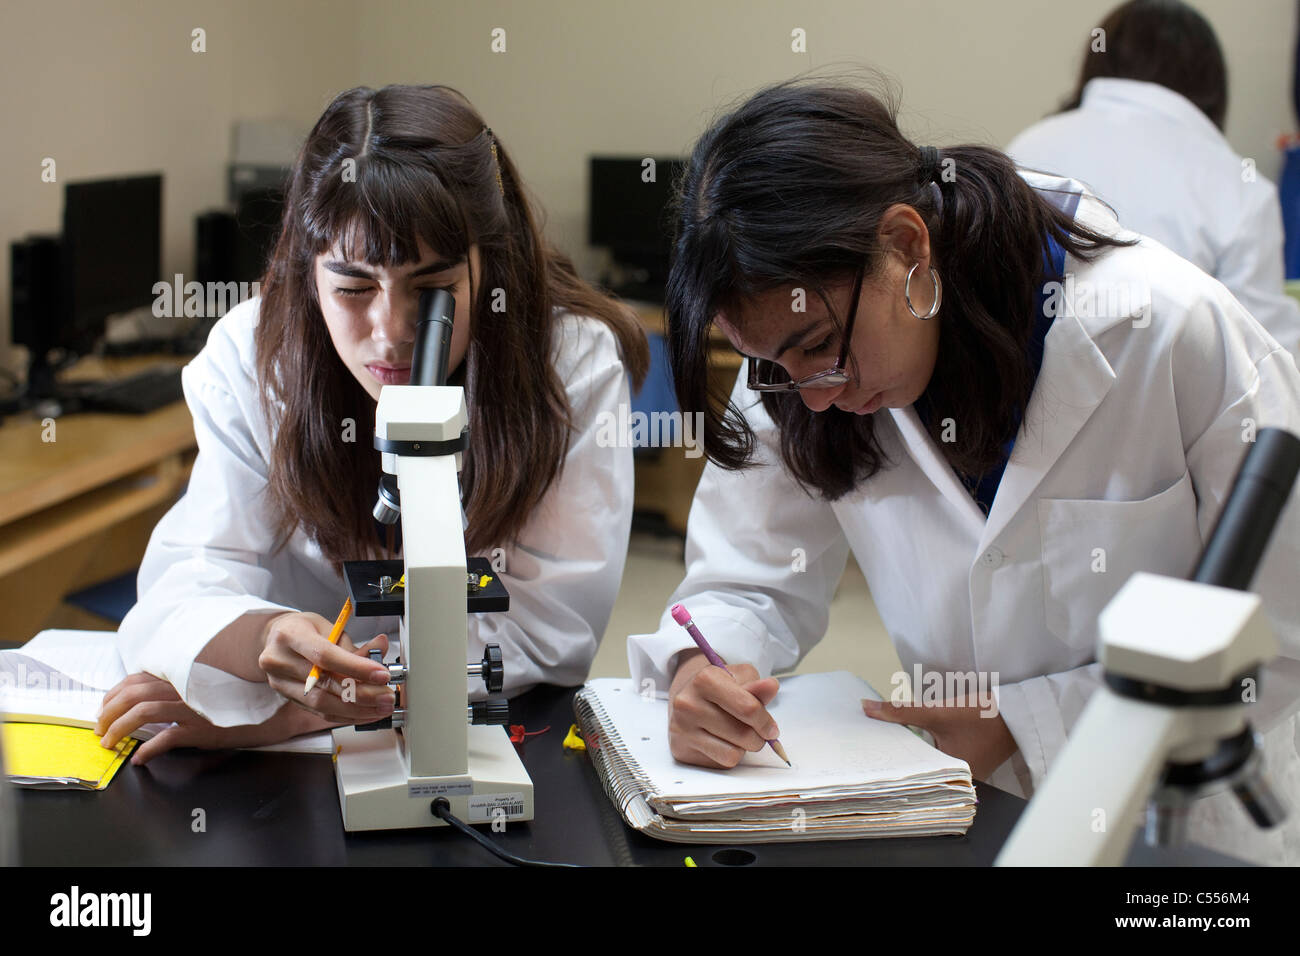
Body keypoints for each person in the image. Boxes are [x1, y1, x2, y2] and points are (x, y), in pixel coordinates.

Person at [627, 78, 1300, 863]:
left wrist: (1023, 720)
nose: (813, 391)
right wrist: (701, 668)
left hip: (1183, 827)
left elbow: (1282, 636)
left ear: (907, 247)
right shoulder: (791, 365)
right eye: (770, 362)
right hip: (964, 812)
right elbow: (750, 577)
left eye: (817, 347)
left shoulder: (1169, 331)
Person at [98, 84, 648, 763]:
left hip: (489, 731)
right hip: (296, 757)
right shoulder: (253, 355)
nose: (389, 333)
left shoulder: (567, 361)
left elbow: (551, 627)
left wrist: (294, 713)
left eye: (432, 286)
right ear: (308, 269)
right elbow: (197, 569)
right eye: (353, 288)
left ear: (489, 260)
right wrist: (263, 639)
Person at [1007, 0, 1300, 359]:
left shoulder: (1025, 148)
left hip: (1011, 405)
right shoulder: (1238, 187)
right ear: (1212, 86)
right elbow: (1266, 364)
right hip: (1175, 409)